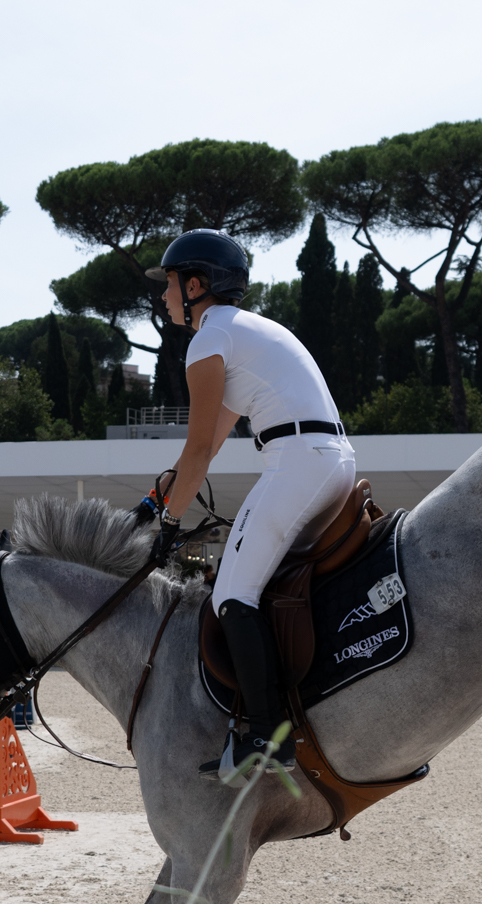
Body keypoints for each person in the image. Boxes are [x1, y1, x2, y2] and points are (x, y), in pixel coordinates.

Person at [132, 229, 356, 782]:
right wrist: (151, 503)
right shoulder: (244, 333)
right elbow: (201, 452)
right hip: (327, 456)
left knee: (233, 592)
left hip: (297, 460)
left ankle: (268, 737)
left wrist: (170, 525)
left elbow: (200, 447)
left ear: (197, 284)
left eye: (170, 285)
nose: (164, 297)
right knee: (256, 582)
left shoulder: (208, 339)